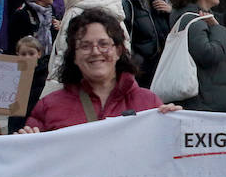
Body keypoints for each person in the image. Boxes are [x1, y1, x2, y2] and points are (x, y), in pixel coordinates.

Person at [21, 9, 167, 131]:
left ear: (118, 51)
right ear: (74, 56)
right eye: (85, 46)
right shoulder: (49, 107)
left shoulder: (149, 104)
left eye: (104, 44)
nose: (95, 52)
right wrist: (25, 144)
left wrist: (175, 125)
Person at [166, 0, 226, 111]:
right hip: (204, 104)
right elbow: (208, 54)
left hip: (207, 101)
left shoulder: (203, 17)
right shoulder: (193, 19)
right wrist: (219, 29)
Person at [120, 0, 170, 83]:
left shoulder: (157, 0)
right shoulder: (128, 4)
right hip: (141, 69)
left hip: (160, 65)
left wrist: (170, 11)